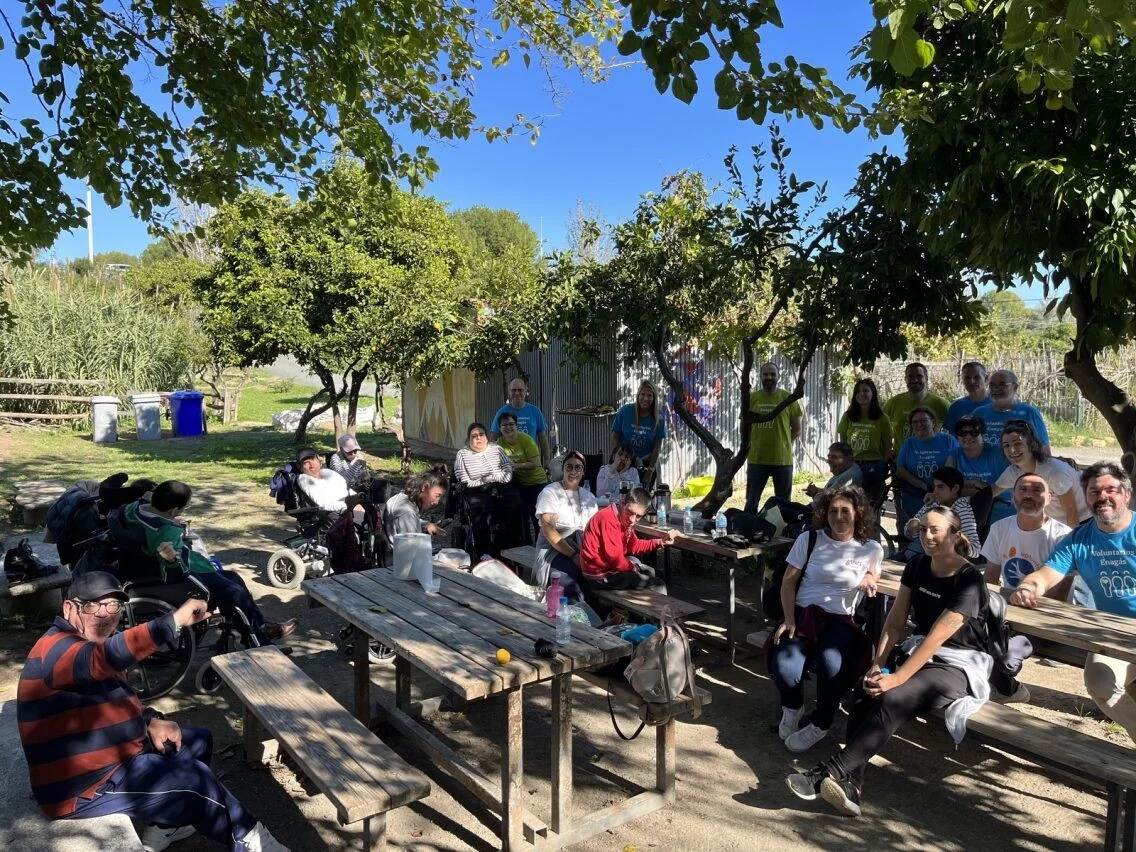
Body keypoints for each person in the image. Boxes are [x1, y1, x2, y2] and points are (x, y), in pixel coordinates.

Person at [17, 571, 290, 851]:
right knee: (196, 780)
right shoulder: (57, 649)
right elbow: (104, 658)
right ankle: (252, 841)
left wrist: (150, 720)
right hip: (83, 787)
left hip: (111, 757)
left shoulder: (84, 643)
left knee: (197, 741)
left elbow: (114, 698)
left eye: (113, 605)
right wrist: (172, 622)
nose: (105, 614)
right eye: (92, 605)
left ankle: (167, 826)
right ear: (69, 608)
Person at [787, 506, 992, 817]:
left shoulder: (969, 579)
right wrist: (877, 665)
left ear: (955, 534)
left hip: (959, 665)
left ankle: (825, 774)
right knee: (865, 689)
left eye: (935, 529)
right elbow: (896, 622)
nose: (927, 535)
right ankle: (852, 786)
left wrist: (896, 678)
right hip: (920, 651)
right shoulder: (917, 565)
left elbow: (938, 636)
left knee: (894, 697)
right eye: (923, 529)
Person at [1009, 462, 1136, 744]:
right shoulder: (1080, 538)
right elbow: (1046, 574)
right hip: (1112, 636)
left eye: (1111, 490)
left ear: (1126, 495)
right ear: (1087, 498)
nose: (1102, 496)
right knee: (1100, 683)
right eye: (1094, 491)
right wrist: (1029, 586)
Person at [770, 486, 882, 754]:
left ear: (858, 514)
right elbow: (788, 583)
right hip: (802, 614)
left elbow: (873, 576)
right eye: (833, 511)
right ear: (824, 513)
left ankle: (821, 722)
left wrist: (869, 578)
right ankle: (793, 707)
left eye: (845, 511)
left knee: (832, 665)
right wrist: (788, 618)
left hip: (841, 620)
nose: (838, 517)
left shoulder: (870, 549)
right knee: (785, 663)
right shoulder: (809, 539)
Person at [124, 481, 298, 647]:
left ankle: (261, 626)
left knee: (234, 578)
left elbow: (133, 508)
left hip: (184, 565)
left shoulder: (137, 509)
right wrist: (171, 560)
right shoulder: (164, 532)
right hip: (187, 576)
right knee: (236, 594)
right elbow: (174, 570)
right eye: (183, 508)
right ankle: (260, 641)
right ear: (174, 511)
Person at [580, 487, 677, 592]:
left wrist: (660, 542)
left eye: (638, 516)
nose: (632, 520)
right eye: (630, 512)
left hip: (610, 568)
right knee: (658, 584)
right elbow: (616, 562)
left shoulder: (623, 518)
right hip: (600, 575)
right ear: (622, 502)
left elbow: (634, 546)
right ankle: (661, 608)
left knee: (656, 573)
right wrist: (635, 568)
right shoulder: (608, 519)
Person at [992, 421, 1089, 527]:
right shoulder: (1013, 472)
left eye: (1018, 443)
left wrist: (1071, 542)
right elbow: (990, 493)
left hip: (1086, 519)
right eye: (1006, 445)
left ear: (1031, 445)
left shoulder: (1054, 472)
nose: (1012, 450)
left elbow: (1071, 511)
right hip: (1058, 523)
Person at [532, 450, 597, 600]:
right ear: (563, 470)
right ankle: (572, 617)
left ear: (583, 472)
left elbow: (594, 531)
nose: (573, 471)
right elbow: (549, 530)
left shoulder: (589, 497)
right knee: (566, 579)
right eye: (569, 467)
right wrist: (574, 555)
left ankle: (597, 615)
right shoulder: (550, 492)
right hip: (554, 549)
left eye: (577, 468)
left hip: (582, 547)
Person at [742, 362, 804, 513]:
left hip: (782, 460)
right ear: (760, 377)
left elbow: (796, 430)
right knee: (751, 504)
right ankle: (747, 532)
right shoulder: (752, 398)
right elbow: (744, 428)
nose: (769, 377)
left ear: (778, 377)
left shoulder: (789, 398)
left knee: (784, 506)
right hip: (757, 459)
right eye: (765, 374)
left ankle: (783, 534)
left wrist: (783, 444)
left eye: (772, 374)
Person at [454, 422, 523, 557]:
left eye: (481, 434)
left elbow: (508, 468)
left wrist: (494, 478)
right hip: (476, 490)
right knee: (481, 509)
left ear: (486, 437)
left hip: (500, 487)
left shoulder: (496, 449)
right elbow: (463, 479)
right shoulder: (462, 454)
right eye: (474, 436)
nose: (478, 438)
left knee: (515, 505)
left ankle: (513, 549)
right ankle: (484, 553)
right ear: (469, 440)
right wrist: (484, 481)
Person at [894, 408, 959, 525]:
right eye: (914, 422)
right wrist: (923, 486)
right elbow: (900, 470)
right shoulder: (909, 443)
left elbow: (955, 467)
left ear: (933, 422)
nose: (919, 424)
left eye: (923, 420)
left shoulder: (948, 440)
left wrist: (937, 489)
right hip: (915, 496)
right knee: (916, 530)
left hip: (943, 498)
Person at [901, 467, 980, 559]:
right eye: (935, 486)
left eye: (940, 487)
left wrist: (950, 539)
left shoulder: (961, 510)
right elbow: (909, 533)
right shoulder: (932, 504)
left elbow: (975, 550)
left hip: (943, 563)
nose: (935, 491)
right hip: (917, 555)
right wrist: (912, 526)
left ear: (955, 488)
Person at [495, 411, 549, 544]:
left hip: (537, 483)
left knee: (538, 519)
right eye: (504, 425)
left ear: (516, 425)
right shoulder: (499, 444)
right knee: (522, 519)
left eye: (511, 424)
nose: (508, 427)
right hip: (519, 485)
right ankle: (526, 548)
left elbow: (535, 464)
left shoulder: (526, 440)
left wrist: (513, 466)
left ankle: (541, 548)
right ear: (500, 428)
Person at [951, 414, 1012, 524]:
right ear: (957, 436)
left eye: (974, 432)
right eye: (962, 433)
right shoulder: (955, 454)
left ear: (983, 435)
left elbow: (1017, 475)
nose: (968, 437)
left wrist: (964, 487)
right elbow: (947, 483)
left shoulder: (999, 452)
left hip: (1003, 510)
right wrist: (974, 483)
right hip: (970, 514)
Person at [973, 369, 1051, 453]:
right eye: (992, 385)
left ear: (1015, 387)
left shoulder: (1029, 412)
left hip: (1018, 466)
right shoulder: (979, 413)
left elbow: (1044, 448)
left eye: (1002, 384)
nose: (996, 388)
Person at [837, 378, 892, 492]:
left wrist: (883, 464)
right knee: (850, 499)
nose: (862, 394)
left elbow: (887, 445)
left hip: (874, 465)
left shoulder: (882, 418)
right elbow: (843, 443)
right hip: (852, 464)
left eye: (866, 391)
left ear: (873, 394)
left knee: (872, 502)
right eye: (858, 391)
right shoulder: (848, 416)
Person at [611, 380, 667, 485]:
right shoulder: (625, 411)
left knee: (645, 496)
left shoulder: (659, 417)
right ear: (638, 395)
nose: (646, 398)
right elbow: (615, 434)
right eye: (643, 394)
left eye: (650, 395)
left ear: (654, 398)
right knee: (622, 493)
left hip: (647, 462)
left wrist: (649, 472)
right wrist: (617, 457)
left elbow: (657, 447)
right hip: (625, 460)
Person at [882, 362, 950, 445]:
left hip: (931, 456)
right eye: (910, 376)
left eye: (919, 376)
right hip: (901, 457)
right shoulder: (893, 403)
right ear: (905, 379)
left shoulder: (941, 404)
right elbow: (880, 429)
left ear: (926, 378)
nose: (915, 380)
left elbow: (956, 430)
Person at [489, 377, 551, 465]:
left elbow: (543, 438)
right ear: (509, 392)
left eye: (520, 390)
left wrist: (547, 460)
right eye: (513, 390)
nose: (517, 393)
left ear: (526, 391)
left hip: (530, 462)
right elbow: (493, 438)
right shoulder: (502, 412)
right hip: (509, 464)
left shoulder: (535, 411)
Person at [384, 467, 448, 538]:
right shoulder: (407, 512)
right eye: (437, 496)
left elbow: (413, 520)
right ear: (424, 487)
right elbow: (412, 546)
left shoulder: (402, 498)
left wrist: (426, 525)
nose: (437, 502)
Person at [295, 448, 350, 513]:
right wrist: (347, 507)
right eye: (306, 462)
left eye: (313, 459)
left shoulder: (328, 473)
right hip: (334, 514)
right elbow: (324, 503)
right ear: (300, 467)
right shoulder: (304, 479)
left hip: (350, 506)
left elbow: (347, 489)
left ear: (318, 460)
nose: (311, 465)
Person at [943, 361, 990, 432]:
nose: (971, 381)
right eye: (967, 378)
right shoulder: (957, 406)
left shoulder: (997, 404)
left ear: (986, 379)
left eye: (976, 377)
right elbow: (952, 437)